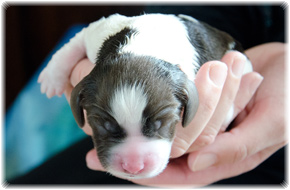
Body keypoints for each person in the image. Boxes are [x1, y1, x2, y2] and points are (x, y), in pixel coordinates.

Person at [9, 5, 286, 186]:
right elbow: (86, 36)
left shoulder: (185, 72)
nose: (133, 163)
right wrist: (59, 70)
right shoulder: (106, 35)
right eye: (106, 125)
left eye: (158, 125)